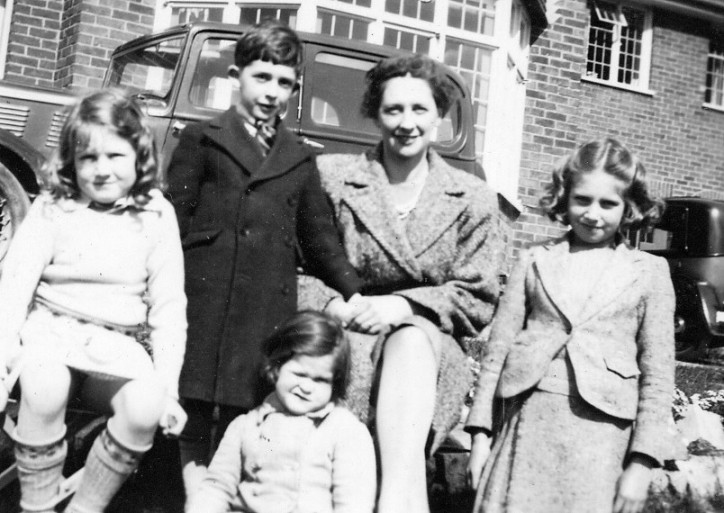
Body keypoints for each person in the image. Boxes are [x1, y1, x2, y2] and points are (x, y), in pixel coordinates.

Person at [297, 54, 506, 513]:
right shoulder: (332, 177)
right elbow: (291, 268)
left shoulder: (472, 197)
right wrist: (333, 305)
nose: (407, 123)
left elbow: (478, 296)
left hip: (429, 343)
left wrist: (405, 306)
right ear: (375, 115)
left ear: (439, 116)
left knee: (410, 343)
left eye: (419, 109)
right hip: (342, 329)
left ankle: (390, 501)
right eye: (393, 109)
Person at [165, 20, 363, 497]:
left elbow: (318, 235)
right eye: (262, 77)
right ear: (237, 76)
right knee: (195, 395)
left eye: (284, 82)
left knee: (245, 398)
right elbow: (174, 217)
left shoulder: (298, 156)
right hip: (206, 288)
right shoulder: (203, 138)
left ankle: (233, 490)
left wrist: (354, 292)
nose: (272, 91)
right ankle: (197, 494)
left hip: (264, 298)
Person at [0, 89, 187, 513]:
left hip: (116, 346)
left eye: (115, 156)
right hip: (50, 335)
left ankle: (85, 507)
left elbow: (168, 308)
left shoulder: (156, 213)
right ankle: (38, 505)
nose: (102, 170)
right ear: (71, 161)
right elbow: (13, 289)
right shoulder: (54, 207)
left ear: (139, 156)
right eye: (88, 158)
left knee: (144, 405)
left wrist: (168, 389)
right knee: (46, 386)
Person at [465, 137, 675, 513]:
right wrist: (480, 437)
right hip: (528, 422)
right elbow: (497, 352)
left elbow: (658, 376)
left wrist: (642, 464)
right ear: (565, 198)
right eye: (582, 200)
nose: (593, 214)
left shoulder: (649, 272)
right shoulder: (534, 260)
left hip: (602, 439)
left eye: (608, 204)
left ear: (629, 207)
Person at [186, 310, 376, 513]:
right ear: (276, 368)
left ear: (334, 383)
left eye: (320, 380)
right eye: (300, 374)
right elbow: (216, 488)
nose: (307, 387)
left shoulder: (345, 431)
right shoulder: (246, 426)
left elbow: (354, 503)